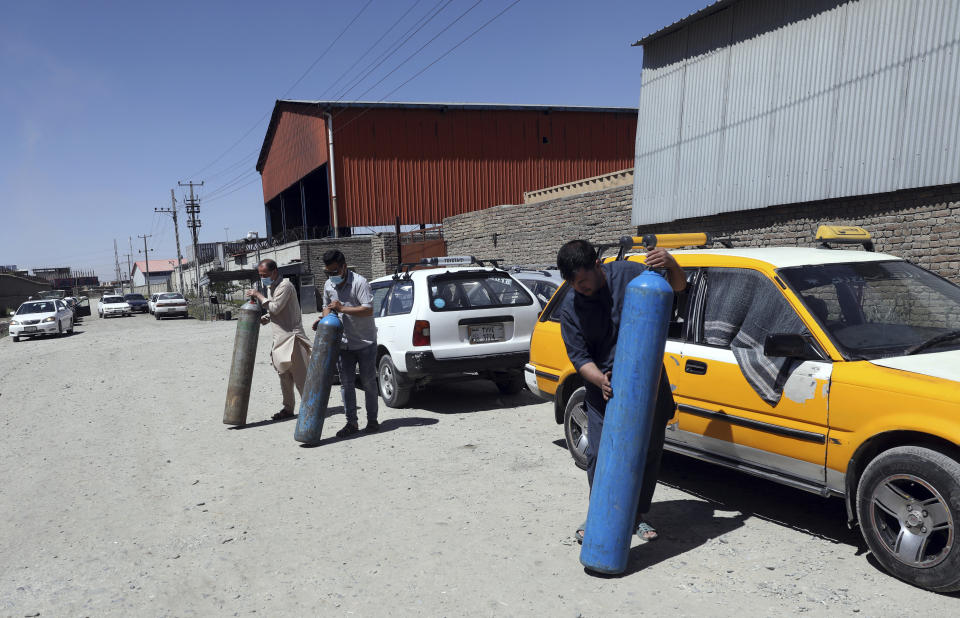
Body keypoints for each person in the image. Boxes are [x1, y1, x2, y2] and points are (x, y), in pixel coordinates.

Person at [555, 239, 686, 544]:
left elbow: (677, 288)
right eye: (574, 285)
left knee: (649, 450)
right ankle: (601, 514)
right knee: (600, 453)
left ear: (598, 266)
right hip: (604, 386)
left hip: (648, 379)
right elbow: (579, 358)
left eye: (584, 282)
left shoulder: (630, 274)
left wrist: (671, 263)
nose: (581, 289)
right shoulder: (571, 306)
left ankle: (637, 515)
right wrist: (599, 379)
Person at [313, 250, 380, 437]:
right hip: (342, 344)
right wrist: (323, 322)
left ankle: (372, 421)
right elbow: (326, 308)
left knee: (368, 383)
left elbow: (367, 310)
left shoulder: (360, 283)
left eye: (334, 271)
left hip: (365, 342)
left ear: (343, 266)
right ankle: (351, 423)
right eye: (328, 273)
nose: (331, 276)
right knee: (346, 384)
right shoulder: (328, 285)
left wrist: (342, 308)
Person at [246, 259, 312, 421]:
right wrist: (267, 318)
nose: (263, 278)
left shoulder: (285, 286)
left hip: (292, 337)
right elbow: (276, 310)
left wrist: (258, 295)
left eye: (265, 275)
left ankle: (310, 409)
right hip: (279, 339)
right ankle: (288, 408)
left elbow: (275, 306)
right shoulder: (271, 287)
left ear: (275, 272)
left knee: (300, 377)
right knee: (284, 375)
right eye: (260, 275)